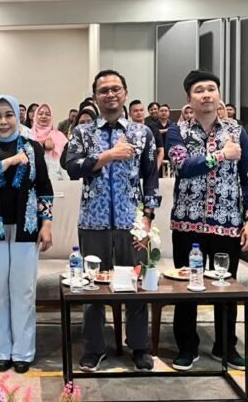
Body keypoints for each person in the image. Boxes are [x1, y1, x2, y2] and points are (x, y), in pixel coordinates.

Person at [166, 70, 248, 371]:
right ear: (189, 99)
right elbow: (182, 166)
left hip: (227, 222)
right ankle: (187, 347)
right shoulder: (177, 131)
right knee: (186, 288)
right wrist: (221, 155)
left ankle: (226, 346)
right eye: (199, 90)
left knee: (225, 288)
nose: (206, 94)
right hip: (187, 224)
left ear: (219, 96)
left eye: (211, 89)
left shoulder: (237, 131)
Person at [66, 70, 160, 372]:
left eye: (115, 89)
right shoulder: (82, 133)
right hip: (92, 223)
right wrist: (108, 155)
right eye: (103, 90)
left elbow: (151, 178)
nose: (110, 94)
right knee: (92, 288)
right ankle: (95, 348)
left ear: (125, 93)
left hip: (131, 223)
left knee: (135, 286)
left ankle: (139, 347)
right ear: (95, 96)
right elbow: (72, 167)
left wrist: (147, 218)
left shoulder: (142, 133)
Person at [0, 95, 53, 374]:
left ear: (18, 117)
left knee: (23, 291)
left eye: (9, 115)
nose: (3, 121)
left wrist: (47, 224)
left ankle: (23, 352)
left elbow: (44, 187)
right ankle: (1, 350)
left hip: (26, 226)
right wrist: (10, 162)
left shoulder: (33, 147)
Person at [31, 104, 69, 181]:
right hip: (34, 181)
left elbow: (66, 160)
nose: (44, 116)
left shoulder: (60, 136)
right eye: (40, 114)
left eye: (48, 114)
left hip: (57, 180)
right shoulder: (28, 134)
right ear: (35, 116)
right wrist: (43, 147)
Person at [129, 99, 164, 171]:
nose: (139, 113)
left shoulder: (153, 129)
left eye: (141, 110)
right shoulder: (126, 130)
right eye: (135, 111)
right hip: (132, 169)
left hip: (150, 168)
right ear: (130, 114)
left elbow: (161, 151)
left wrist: (155, 170)